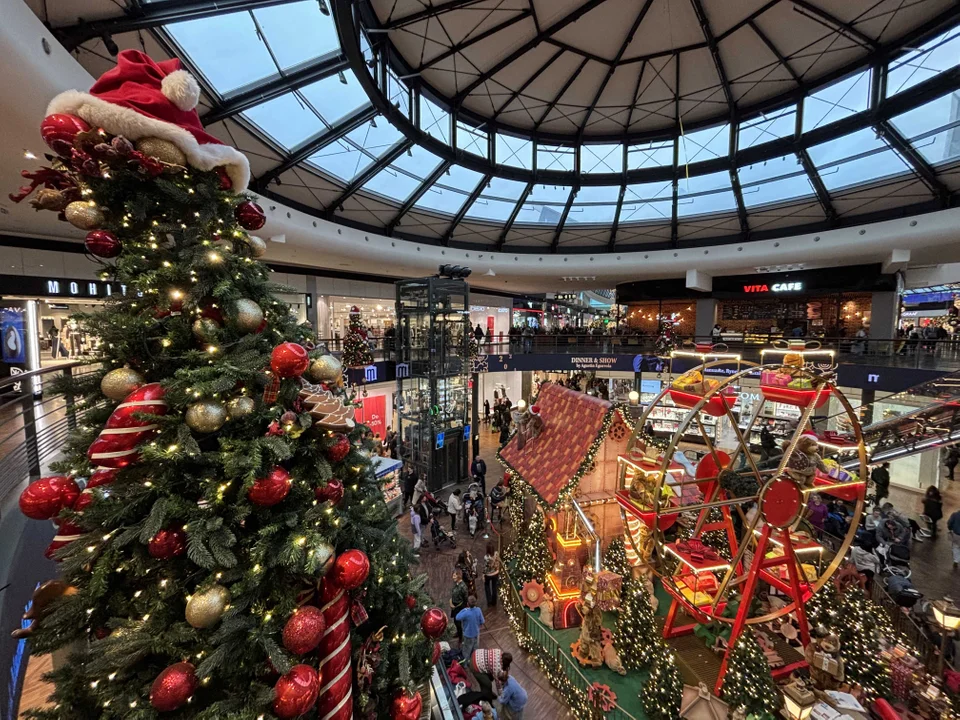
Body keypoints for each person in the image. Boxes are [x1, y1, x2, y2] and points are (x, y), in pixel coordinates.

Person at [450, 570, 468, 643]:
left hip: (459, 607)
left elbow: (465, 598)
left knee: (458, 622)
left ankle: (461, 637)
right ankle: (458, 632)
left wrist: (461, 607)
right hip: (455, 607)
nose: (453, 577)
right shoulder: (456, 584)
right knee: (455, 621)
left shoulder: (463, 586)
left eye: (454, 575)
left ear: (459, 576)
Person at [483, 542, 500, 608]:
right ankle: (494, 601)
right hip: (495, 573)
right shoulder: (496, 554)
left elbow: (485, 567)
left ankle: (489, 601)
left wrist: (483, 574)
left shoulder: (486, 557)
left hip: (488, 574)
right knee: (494, 587)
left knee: (487, 587)